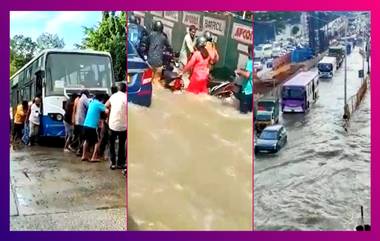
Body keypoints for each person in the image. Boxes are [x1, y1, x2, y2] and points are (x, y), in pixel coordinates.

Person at [106, 82, 127, 170]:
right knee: (122, 145)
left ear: (118, 89)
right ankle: (120, 163)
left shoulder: (113, 96)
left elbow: (106, 106)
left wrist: (110, 110)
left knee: (112, 144)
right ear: (125, 89)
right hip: (123, 126)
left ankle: (113, 163)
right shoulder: (126, 97)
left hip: (112, 125)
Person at [81, 94, 106, 162]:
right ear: (101, 99)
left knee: (87, 140)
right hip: (93, 126)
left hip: (85, 124)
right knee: (97, 141)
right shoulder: (99, 104)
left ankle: (84, 156)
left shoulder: (91, 102)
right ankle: (93, 157)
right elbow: (106, 110)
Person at [146, 20, 171, 87]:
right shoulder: (163, 37)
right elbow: (169, 46)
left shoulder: (150, 35)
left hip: (149, 62)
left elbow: (146, 44)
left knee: (148, 82)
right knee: (157, 83)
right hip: (159, 63)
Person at [236, 45, 253, 114]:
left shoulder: (250, 62)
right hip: (251, 91)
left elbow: (247, 75)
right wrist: (242, 72)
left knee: (243, 113)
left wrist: (239, 71)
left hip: (246, 91)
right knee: (249, 112)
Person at [73, 90, 90, 155]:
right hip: (82, 121)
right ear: (86, 93)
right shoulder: (84, 98)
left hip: (78, 120)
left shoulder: (80, 99)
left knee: (80, 136)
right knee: (84, 137)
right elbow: (89, 106)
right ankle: (79, 150)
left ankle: (79, 149)